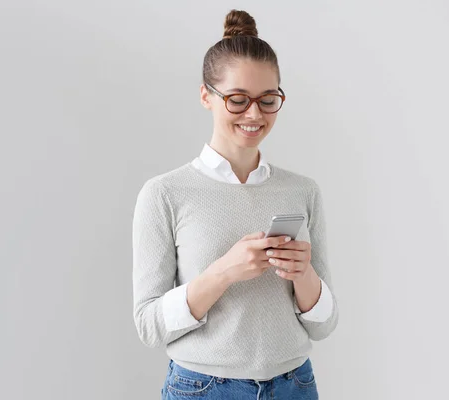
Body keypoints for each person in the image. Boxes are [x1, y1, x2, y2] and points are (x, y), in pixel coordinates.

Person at [132, 9, 339, 399]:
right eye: (238, 99)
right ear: (206, 96)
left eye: (268, 99)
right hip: (203, 389)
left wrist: (303, 273)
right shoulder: (164, 193)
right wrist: (223, 273)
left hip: (295, 385)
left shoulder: (303, 191)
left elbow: (324, 326)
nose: (255, 114)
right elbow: (148, 325)